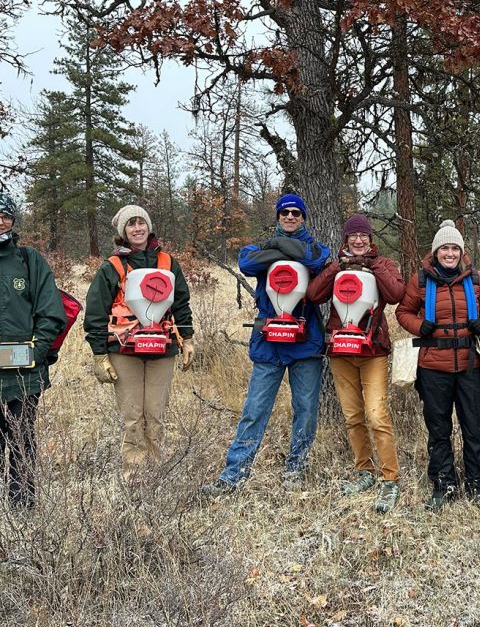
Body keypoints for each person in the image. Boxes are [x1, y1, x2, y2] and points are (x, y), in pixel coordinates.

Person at [201, 194, 330, 497]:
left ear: (303, 217)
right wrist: (285, 250)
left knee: (306, 410)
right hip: (268, 342)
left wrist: (275, 248)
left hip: (305, 342)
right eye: (284, 212)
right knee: (255, 410)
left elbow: (314, 260)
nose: (289, 216)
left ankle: (295, 470)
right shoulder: (257, 248)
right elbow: (246, 262)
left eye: (296, 212)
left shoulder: (316, 248)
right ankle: (234, 475)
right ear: (277, 216)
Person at [84, 204, 195, 483]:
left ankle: (156, 477)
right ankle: (134, 480)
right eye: (131, 224)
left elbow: (181, 303)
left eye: (141, 222)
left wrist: (188, 339)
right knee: (133, 418)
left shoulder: (169, 263)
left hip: (162, 348)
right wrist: (99, 355)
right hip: (123, 348)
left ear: (148, 226)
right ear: (123, 231)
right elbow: (96, 311)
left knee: (156, 416)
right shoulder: (112, 266)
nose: (137, 228)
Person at [396, 220, 480, 512]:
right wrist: (420, 325)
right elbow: (402, 312)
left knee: (476, 428)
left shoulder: (477, 280)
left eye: (455, 248)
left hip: (470, 366)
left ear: (461, 252)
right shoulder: (420, 281)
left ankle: (479, 485)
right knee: (438, 429)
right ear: (436, 252)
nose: (450, 253)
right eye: (445, 248)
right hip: (433, 368)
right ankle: (445, 485)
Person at [306, 214, 405, 512]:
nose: (358, 240)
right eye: (353, 236)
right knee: (353, 416)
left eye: (363, 236)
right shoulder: (336, 266)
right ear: (346, 239)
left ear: (370, 239)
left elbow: (396, 294)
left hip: (372, 350)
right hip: (340, 351)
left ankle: (390, 478)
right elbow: (313, 294)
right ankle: (365, 470)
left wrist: (371, 265)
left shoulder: (384, 264)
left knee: (376, 415)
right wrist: (339, 266)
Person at [0, 193, 66, 508]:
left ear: (13, 219)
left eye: (5, 214)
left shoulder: (29, 259)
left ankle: (23, 506)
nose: (0, 220)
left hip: (24, 372)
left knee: (22, 438)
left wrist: (37, 352)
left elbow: (52, 311)